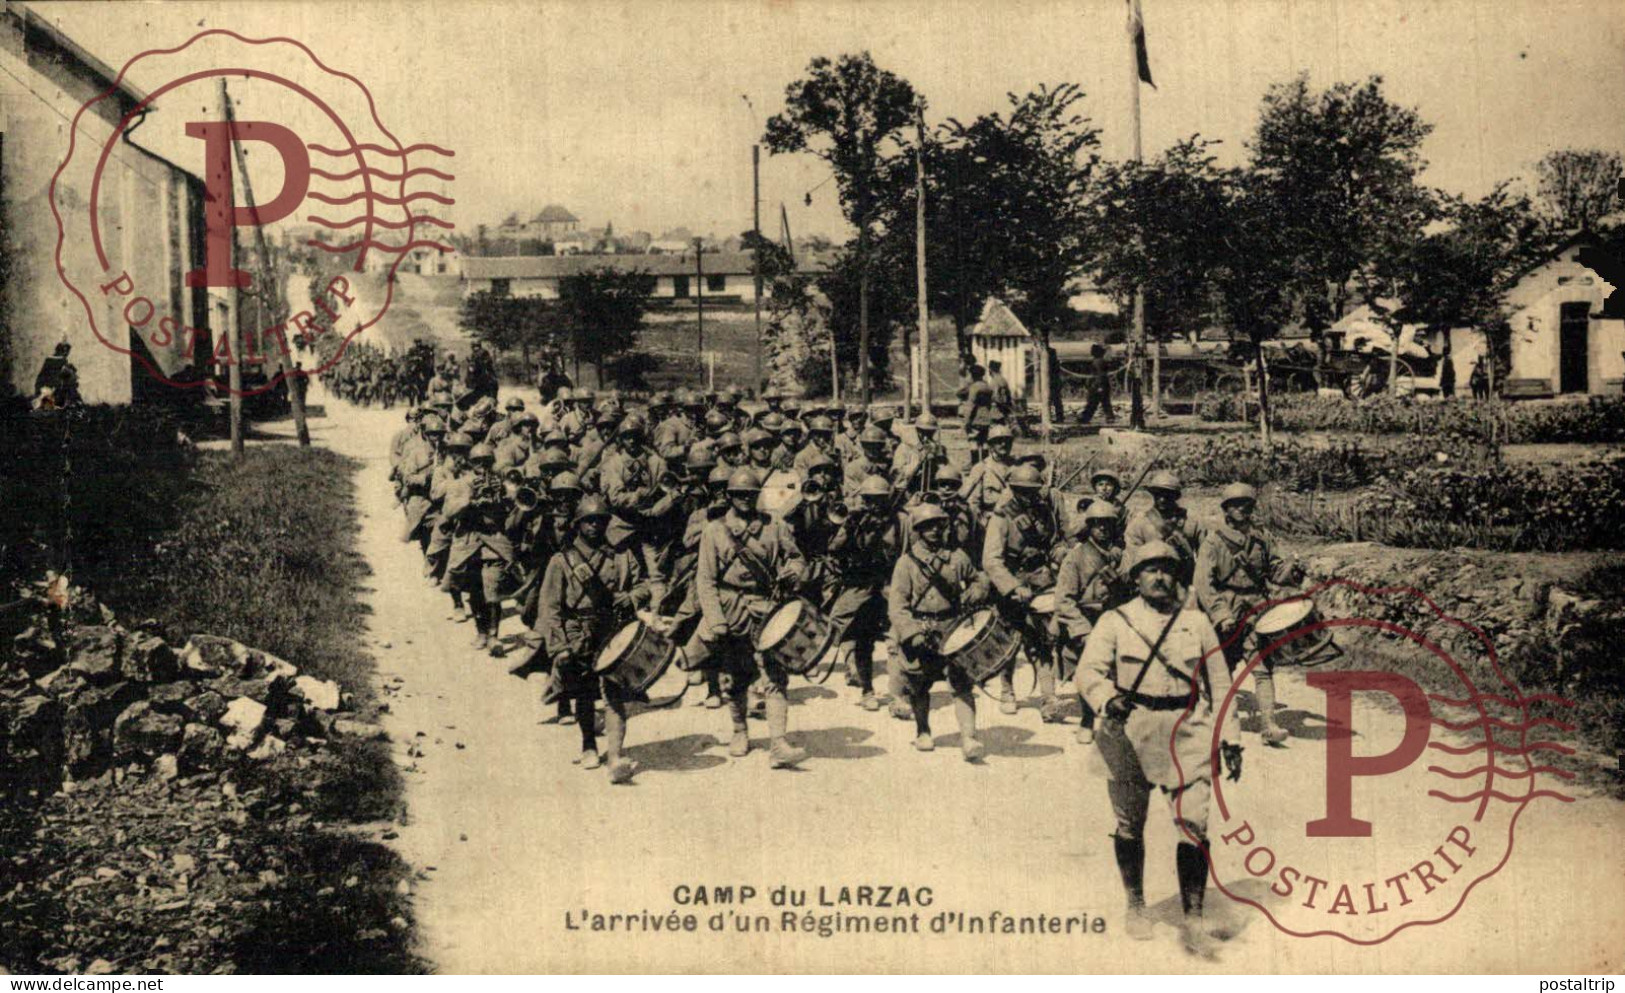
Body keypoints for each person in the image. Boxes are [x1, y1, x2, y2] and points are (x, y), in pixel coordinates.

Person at [1077, 540, 1242, 950]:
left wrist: (1231, 738)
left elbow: (1220, 684)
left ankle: (1194, 916)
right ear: (1135, 577)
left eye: (1167, 569)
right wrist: (1105, 698)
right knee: (1129, 824)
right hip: (1131, 730)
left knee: (1195, 825)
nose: (1159, 576)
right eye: (1149, 569)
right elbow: (1088, 671)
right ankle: (1135, 904)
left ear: (1177, 578)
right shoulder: (1116, 621)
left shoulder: (1197, 624)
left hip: (1188, 730)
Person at [680, 468, 809, 768]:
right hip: (730, 609)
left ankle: (778, 742)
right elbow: (705, 580)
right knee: (735, 677)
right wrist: (716, 620)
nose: (745, 500)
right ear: (729, 497)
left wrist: (793, 572)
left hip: (767, 606)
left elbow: (797, 557)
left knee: (776, 674)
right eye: (739, 495)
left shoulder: (774, 524)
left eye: (750, 495)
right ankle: (740, 730)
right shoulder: (714, 530)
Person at [536, 495, 649, 782]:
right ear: (577, 525)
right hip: (579, 632)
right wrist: (558, 646)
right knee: (584, 693)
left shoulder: (621, 555)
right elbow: (549, 608)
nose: (595, 526)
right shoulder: (561, 561)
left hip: (611, 629)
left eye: (600, 521)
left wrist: (631, 597)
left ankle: (614, 756)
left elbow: (644, 586)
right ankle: (588, 743)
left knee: (614, 693)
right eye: (588, 521)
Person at [1193, 482, 1304, 746]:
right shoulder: (1213, 541)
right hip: (1226, 610)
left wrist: (1291, 571)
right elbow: (1203, 584)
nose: (1242, 510)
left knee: (1263, 668)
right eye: (1235, 506)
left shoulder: (1261, 539)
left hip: (1256, 609)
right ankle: (1216, 718)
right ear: (1226, 510)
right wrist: (1220, 615)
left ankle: (1269, 725)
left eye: (1247, 505)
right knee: (1221, 671)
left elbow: (1274, 571)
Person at [889, 503, 991, 761]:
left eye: (938, 525)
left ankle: (969, 738)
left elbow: (979, 578)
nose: (934, 531)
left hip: (953, 627)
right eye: (927, 526)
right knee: (918, 684)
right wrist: (911, 633)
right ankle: (923, 730)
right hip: (921, 628)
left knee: (962, 683)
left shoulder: (957, 557)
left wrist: (977, 590)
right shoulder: (906, 563)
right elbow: (898, 606)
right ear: (918, 530)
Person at [981, 463, 1065, 717]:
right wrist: (1013, 586)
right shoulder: (1002, 516)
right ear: (1014, 490)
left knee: (1043, 640)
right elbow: (991, 560)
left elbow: (1054, 541)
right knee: (1011, 640)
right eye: (1022, 491)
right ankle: (1007, 689)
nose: (1028, 496)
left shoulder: (1044, 511)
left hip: (1040, 579)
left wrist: (1060, 553)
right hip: (1012, 580)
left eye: (1032, 491)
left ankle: (1049, 697)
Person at [1052, 501, 1132, 745]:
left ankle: (1117, 721)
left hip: (1116, 619)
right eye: (1097, 525)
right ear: (1089, 528)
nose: (1103, 529)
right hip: (1086, 620)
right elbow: (1064, 600)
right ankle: (1087, 720)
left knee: (1125, 671)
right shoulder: (1075, 557)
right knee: (1088, 672)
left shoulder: (1125, 556)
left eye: (1108, 524)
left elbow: (1134, 592)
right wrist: (1082, 631)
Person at [826, 475, 904, 711]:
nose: (873, 505)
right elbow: (834, 550)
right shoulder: (856, 520)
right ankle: (866, 689)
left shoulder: (899, 521)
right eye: (868, 500)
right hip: (862, 583)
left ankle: (898, 695)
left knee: (896, 639)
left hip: (890, 583)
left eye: (878, 500)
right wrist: (850, 526)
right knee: (862, 638)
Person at [1124, 470, 1201, 591]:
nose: (1162, 499)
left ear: (1175, 496)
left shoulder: (1190, 522)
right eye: (1158, 494)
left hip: (1184, 581)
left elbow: (1204, 557)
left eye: (1167, 494)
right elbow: (1132, 559)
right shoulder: (1139, 523)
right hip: (1153, 583)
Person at [960, 364, 995, 460]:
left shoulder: (974, 388)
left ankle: (976, 466)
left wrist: (966, 421)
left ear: (972, 375)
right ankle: (985, 465)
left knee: (973, 442)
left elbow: (971, 405)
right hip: (987, 419)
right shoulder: (987, 387)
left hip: (975, 419)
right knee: (984, 443)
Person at [1078, 343, 1115, 425]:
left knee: (1093, 403)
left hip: (1098, 386)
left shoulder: (1098, 362)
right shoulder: (1100, 361)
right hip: (1101, 385)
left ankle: (1085, 418)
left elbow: (1099, 376)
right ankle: (1109, 417)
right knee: (1104, 403)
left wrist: (1098, 386)